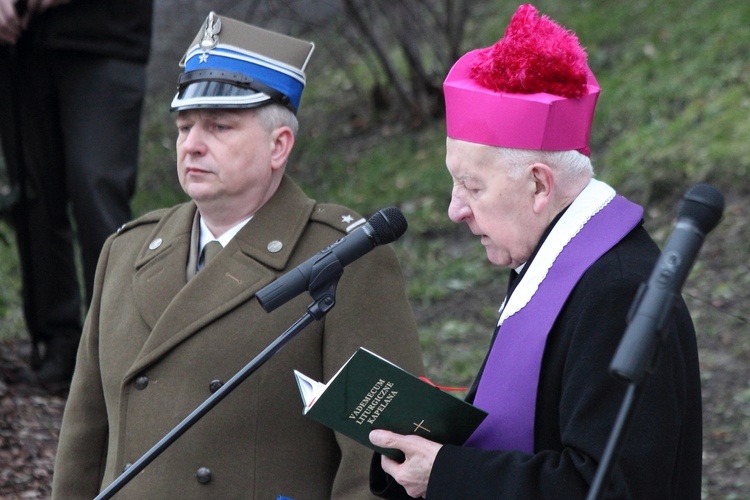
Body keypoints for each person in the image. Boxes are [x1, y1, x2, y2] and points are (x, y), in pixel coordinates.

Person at [51, 12, 424, 499]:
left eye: (219, 126)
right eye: (185, 127)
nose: (192, 145)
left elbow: (377, 462)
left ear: (279, 145)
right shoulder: (127, 251)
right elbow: (83, 441)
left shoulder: (346, 257)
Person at [369, 4, 702, 499]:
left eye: (471, 187)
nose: (454, 210)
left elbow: (612, 488)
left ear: (539, 185)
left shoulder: (617, 290)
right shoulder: (552, 259)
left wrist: (446, 475)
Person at [0, 0, 153, 392]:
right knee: (33, 198)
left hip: (106, 38)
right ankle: (58, 347)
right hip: (21, 47)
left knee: (96, 188)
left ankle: (114, 351)